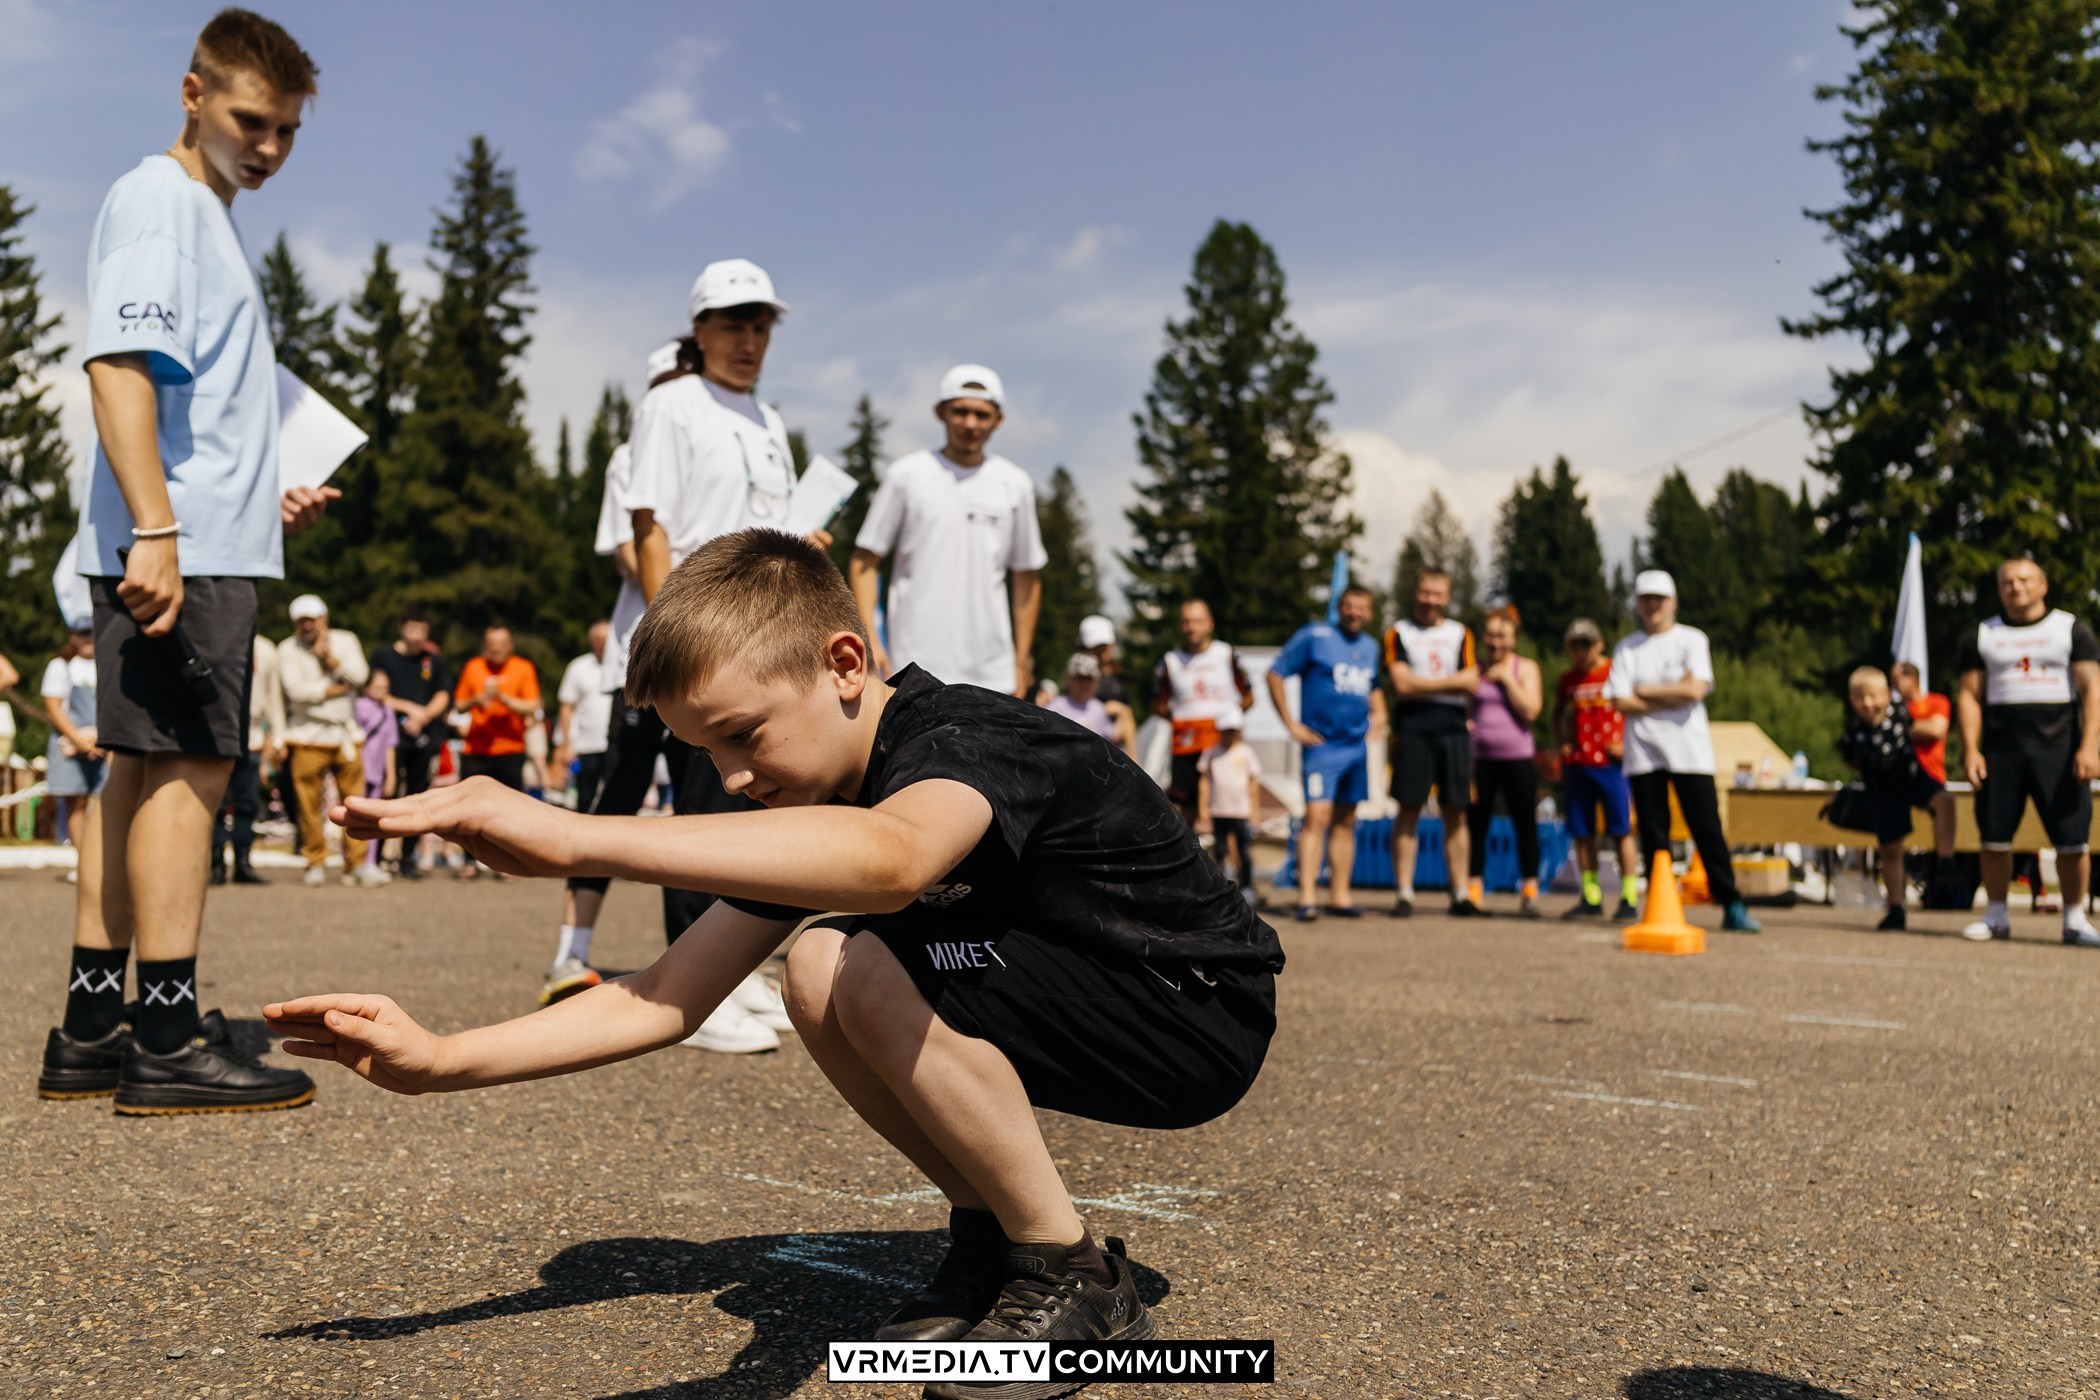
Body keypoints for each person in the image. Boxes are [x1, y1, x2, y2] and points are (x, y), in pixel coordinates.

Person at [266, 527, 1279, 1374]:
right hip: (1080, 993)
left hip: (1190, 1007)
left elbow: (894, 860)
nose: (733, 775)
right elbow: (666, 993)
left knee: (855, 956)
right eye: (706, 750)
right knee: (817, 967)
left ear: (845, 663)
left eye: (743, 734)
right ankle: (998, 1242)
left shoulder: (963, 738)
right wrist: (440, 1059)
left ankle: (1081, 1280)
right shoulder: (819, 795)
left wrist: (574, 832)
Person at [42, 9, 330, 1113]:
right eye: (251, 120)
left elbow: (184, 399)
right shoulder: (165, 203)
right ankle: (165, 1035)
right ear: (192, 92)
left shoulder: (198, 211)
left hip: (195, 528)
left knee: (135, 767)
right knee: (187, 772)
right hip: (181, 544)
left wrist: (260, 496)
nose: (268, 147)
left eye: (288, 131)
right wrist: (160, 530)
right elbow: (118, 367)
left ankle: (93, 1020)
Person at [601, 261, 825, 1047]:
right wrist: (674, 639)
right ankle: (688, 990)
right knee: (702, 809)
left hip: (763, 639)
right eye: (733, 324)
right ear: (699, 330)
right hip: (705, 640)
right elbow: (650, 525)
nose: (749, 339)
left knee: (752, 805)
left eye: (761, 325)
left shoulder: (768, 419)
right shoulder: (671, 404)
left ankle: (731, 968)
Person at [850, 364, 1046, 698]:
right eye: (960, 411)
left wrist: (1020, 659)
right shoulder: (906, 476)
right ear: (940, 412)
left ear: (998, 419)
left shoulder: (1015, 485)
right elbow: (864, 561)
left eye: (981, 414)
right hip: (910, 669)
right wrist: (870, 639)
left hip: (993, 675)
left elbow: (1027, 576)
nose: (970, 424)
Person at [1954, 558, 2100, 945]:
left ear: (2042, 585)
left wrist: (2089, 747)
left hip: (2060, 751)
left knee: (2072, 840)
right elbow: (1969, 696)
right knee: (1994, 838)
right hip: (2001, 753)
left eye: (2024, 580)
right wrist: (1971, 750)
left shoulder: (2069, 629)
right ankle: (1996, 916)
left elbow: (2093, 691)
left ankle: (2074, 919)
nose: (2015, 587)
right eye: (2007, 582)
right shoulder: (1984, 634)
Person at [1606, 570, 1760, 933]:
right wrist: (1671, 693)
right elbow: (1620, 700)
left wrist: (1644, 691)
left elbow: (1695, 690)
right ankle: (1663, 903)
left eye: (1659, 598)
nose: (1652, 605)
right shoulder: (1627, 647)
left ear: (1672, 601)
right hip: (1643, 755)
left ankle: (1731, 902)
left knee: (1706, 828)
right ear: (1638, 604)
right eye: (1646, 599)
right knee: (1653, 831)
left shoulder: (1692, 639)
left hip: (1689, 752)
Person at [1267, 585, 1385, 921]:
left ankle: (1340, 896)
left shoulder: (1370, 647)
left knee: (1347, 820)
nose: (1354, 613)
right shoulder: (1314, 636)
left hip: (1356, 748)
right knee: (1316, 817)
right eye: (1348, 606)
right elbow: (1275, 674)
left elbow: (1374, 688)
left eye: (1361, 607)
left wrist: (1380, 713)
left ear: (1370, 613)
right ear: (1338, 607)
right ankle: (1306, 898)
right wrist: (1291, 724)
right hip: (1322, 747)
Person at [1383, 568, 1480, 917]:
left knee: (1456, 811)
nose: (1430, 600)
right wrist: (1449, 683)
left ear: (1447, 597)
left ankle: (1459, 893)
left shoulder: (1461, 633)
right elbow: (1402, 685)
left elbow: (1472, 681)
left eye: (1438, 594)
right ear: (1415, 592)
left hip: (1453, 729)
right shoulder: (1398, 632)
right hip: (1413, 727)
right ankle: (1405, 892)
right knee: (1408, 809)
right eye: (1425, 592)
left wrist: (1425, 682)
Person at [1840, 666, 1953, 932]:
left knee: (1945, 800)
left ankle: (1945, 862)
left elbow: (1927, 718)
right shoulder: (1855, 731)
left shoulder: (1903, 712)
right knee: (1890, 850)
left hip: (1912, 776)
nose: (1868, 703)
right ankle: (1896, 907)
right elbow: (1850, 759)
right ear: (1851, 699)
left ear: (1887, 695)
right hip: (1883, 788)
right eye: (1860, 697)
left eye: (1873, 695)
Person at [279, 594, 380, 888]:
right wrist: (334, 689)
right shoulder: (287, 649)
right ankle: (315, 860)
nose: (309, 625)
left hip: (345, 734)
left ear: (325, 619)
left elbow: (360, 677)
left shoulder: (346, 641)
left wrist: (330, 660)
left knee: (356, 803)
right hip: (307, 735)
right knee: (308, 803)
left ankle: (357, 864)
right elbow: (295, 691)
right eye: (303, 621)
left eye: (314, 619)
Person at [1554, 618, 1641, 920]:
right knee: (1583, 833)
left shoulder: (1615, 671)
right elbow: (1558, 715)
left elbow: (1634, 707)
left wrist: (1625, 742)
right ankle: (1590, 896)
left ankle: (1628, 896)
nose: (1580, 652)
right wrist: (1562, 744)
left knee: (1621, 831)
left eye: (1586, 645)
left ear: (1600, 644)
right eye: (1575, 646)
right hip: (1579, 765)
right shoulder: (1567, 681)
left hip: (1612, 765)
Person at [1464, 606, 1545, 918]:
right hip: (1480, 760)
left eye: (1502, 636)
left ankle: (1529, 890)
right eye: (1491, 635)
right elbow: (1467, 708)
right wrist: (1467, 722)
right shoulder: (1474, 668)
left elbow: (1532, 710)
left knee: (1525, 824)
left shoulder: (1525, 668)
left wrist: (1506, 682)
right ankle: (1473, 888)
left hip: (1518, 758)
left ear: (1513, 639)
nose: (1495, 642)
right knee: (1477, 824)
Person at [1153, 599, 1254, 827]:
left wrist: (1230, 721)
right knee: (1185, 811)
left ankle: (1227, 862)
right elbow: (1157, 704)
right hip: (1185, 745)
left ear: (1210, 624)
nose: (1191, 627)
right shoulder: (1169, 661)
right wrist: (1176, 718)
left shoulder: (1228, 654)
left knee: (1226, 813)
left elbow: (1249, 697)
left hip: (1221, 745)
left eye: (1197, 621)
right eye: (1186, 622)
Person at [367, 610, 452, 877]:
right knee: (386, 793)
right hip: (389, 737)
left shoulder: (432, 660)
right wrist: (408, 708)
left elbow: (443, 693)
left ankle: (407, 858)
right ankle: (375, 856)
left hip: (424, 738)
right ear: (401, 628)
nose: (417, 635)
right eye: (413, 628)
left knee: (418, 796)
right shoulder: (383, 656)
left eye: (422, 630)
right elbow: (375, 690)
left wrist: (424, 715)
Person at [211, 632, 282, 885]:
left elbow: (274, 695)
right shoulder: (215, 639)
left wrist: (277, 735)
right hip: (217, 733)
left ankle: (243, 862)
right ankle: (215, 863)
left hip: (252, 736)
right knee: (217, 804)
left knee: (247, 803)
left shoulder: (265, 648)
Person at [452, 625, 540, 799]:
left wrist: (504, 698)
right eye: (492, 643)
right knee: (471, 800)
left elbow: (532, 705)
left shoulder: (523, 667)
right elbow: (459, 705)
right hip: (476, 749)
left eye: (502, 643)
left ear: (510, 645)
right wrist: (474, 700)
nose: (497, 648)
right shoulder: (473, 666)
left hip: (510, 748)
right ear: (485, 645)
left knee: (510, 803)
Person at [42, 626, 108, 852]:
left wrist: (101, 739)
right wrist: (80, 741)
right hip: (70, 743)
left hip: (104, 743)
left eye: (92, 632)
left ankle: (101, 859)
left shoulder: (106, 664)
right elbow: (53, 708)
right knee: (77, 803)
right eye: (82, 633)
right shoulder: (61, 666)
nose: (88, 638)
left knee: (105, 802)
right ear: (72, 636)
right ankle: (83, 860)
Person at [1890, 660, 1958, 867]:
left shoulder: (1937, 702)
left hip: (1931, 776)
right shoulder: (1895, 707)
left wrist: (1898, 729)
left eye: (1896, 680)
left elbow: (1935, 730)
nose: (1894, 686)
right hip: (1899, 777)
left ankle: (1944, 864)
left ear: (1912, 678)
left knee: (1946, 802)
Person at [1199, 708, 1262, 902]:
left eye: (1233, 731)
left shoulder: (1246, 753)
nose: (1229, 735)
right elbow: (1204, 782)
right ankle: (1218, 888)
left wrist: (1255, 811)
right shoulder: (1211, 753)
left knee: (1244, 851)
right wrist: (1203, 810)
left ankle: (1246, 886)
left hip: (1241, 811)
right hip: (1219, 810)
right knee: (1220, 850)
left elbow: (1253, 784)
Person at [553, 621, 613, 815]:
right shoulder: (578, 667)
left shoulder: (625, 665)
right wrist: (565, 744)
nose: (602, 643)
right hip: (587, 745)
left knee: (615, 797)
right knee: (585, 798)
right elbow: (566, 707)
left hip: (617, 744)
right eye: (598, 639)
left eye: (606, 639)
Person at [1040, 652, 1135, 757]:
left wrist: (1122, 711)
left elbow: (1115, 736)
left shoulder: (1098, 708)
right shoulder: (1055, 707)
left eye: (1089, 678)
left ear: (1096, 682)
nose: (1084, 684)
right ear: (1069, 678)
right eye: (1080, 678)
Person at [355, 670, 400, 873]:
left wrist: (390, 775)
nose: (381, 691)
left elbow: (390, 745)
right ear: (366, 688)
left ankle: (370, 862)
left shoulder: (388, 711)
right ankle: (354, 861)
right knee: (356, 816)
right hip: (358, 768)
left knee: (374, 819)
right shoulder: (359, 706)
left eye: (385, 687)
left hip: (377, 770)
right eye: (377, 687)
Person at [1078, 614, 1129, 707]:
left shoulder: (1120, 675)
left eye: (1104, 646)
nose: (1101, 651)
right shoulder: (1077, 675)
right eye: (1096, 647)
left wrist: (1121, 711)